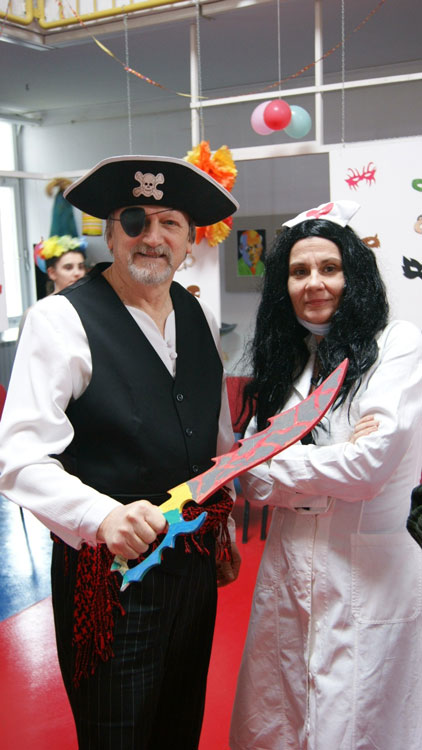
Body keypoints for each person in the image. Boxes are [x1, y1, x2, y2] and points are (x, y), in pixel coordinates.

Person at [0, 154, 241, 750]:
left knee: (180, 724)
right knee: (118, 733)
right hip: (108, 581)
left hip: (191, 565)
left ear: (190, 241)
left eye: (170, 223)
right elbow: (19, 456)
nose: (152, 237)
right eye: (135, 220)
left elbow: (216, 437)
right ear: (110, 234)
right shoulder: (60, 319)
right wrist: (101, 515)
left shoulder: (199, 315)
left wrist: (224, 526)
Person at [229, 200, 422, 750]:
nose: (314, 283)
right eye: (299, 271)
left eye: (329, 268)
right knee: (281, 715)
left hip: (370, 575)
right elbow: (248, 480)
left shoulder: (396, 344)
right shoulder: (287, 362)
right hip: (289, 569)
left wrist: (271, 461)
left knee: (361, 721)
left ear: (353, 275)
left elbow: (367, 468)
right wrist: (320, 466)